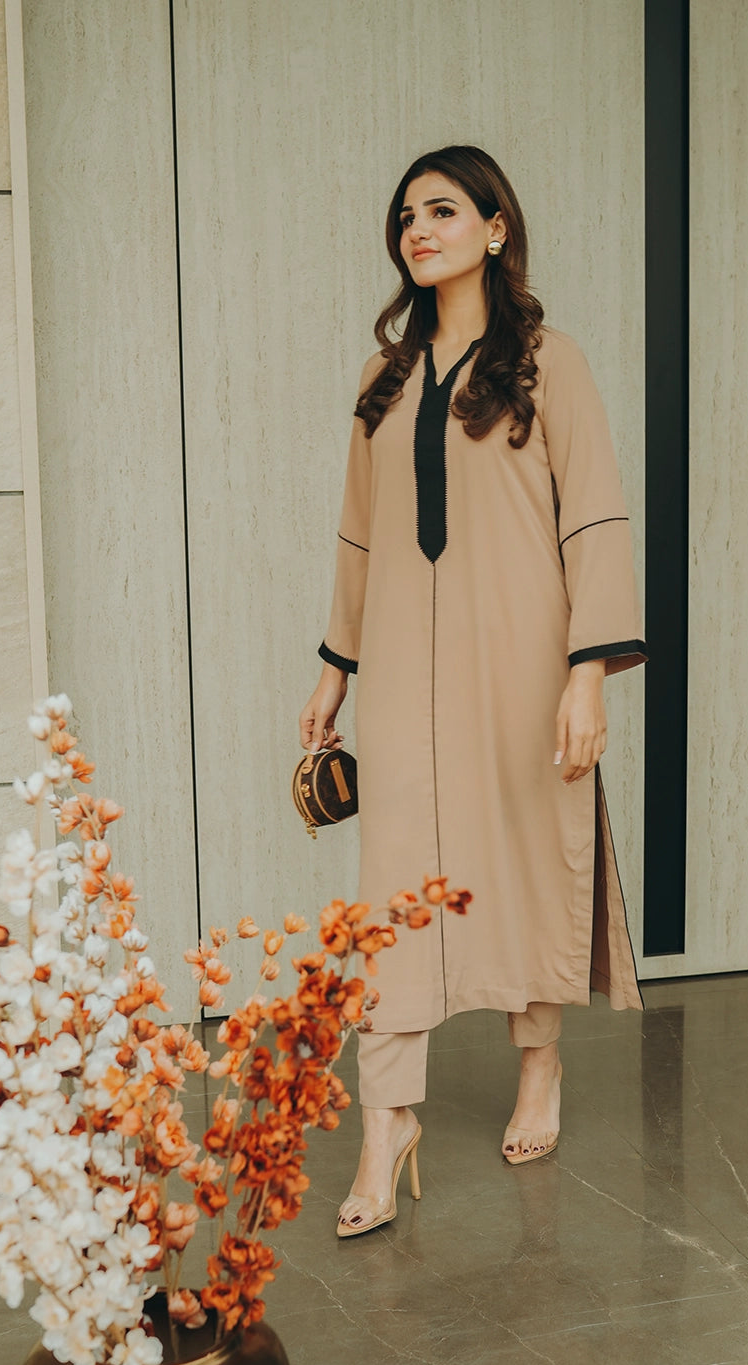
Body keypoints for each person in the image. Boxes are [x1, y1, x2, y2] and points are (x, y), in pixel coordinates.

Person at [299, 146, 646, 1238]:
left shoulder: (551, 364)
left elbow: (594, 519)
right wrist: (335, 667)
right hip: (403, 662)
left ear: (496, 228)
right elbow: (359, 535)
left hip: (524, 659)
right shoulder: (384, 378)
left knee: (528, 854)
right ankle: (387, 1121)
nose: (419, 228)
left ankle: (539, 1065)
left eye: (443, 210)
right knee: (391, 889)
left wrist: (586, 677)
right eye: (407, 214)